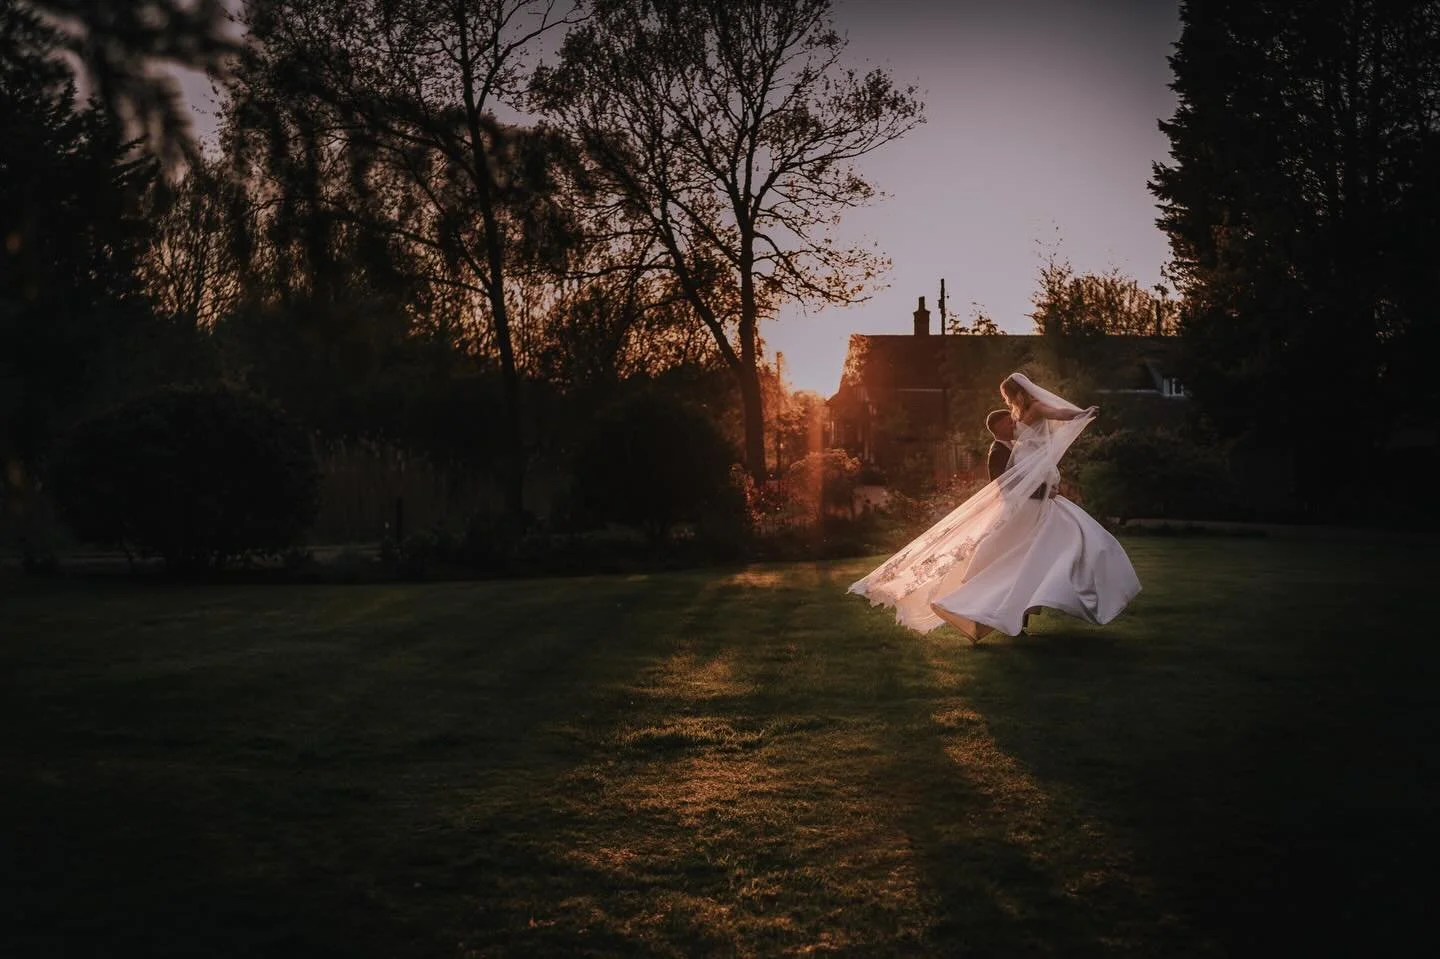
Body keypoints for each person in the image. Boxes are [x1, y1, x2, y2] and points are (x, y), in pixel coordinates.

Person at [849, 372, 1140, 642]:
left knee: (1065, 542)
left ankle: (1048, 596)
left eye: (1008, 397)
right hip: (1031, 497)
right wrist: (1041, 486)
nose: (1008, 404)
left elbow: (1058, 414)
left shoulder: (1033, 410)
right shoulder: (1014, 427)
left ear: (1017, 393)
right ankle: (1005, 604)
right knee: (1040, 549)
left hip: (1037, 491)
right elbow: (1007, 482)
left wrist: (1081, 414)